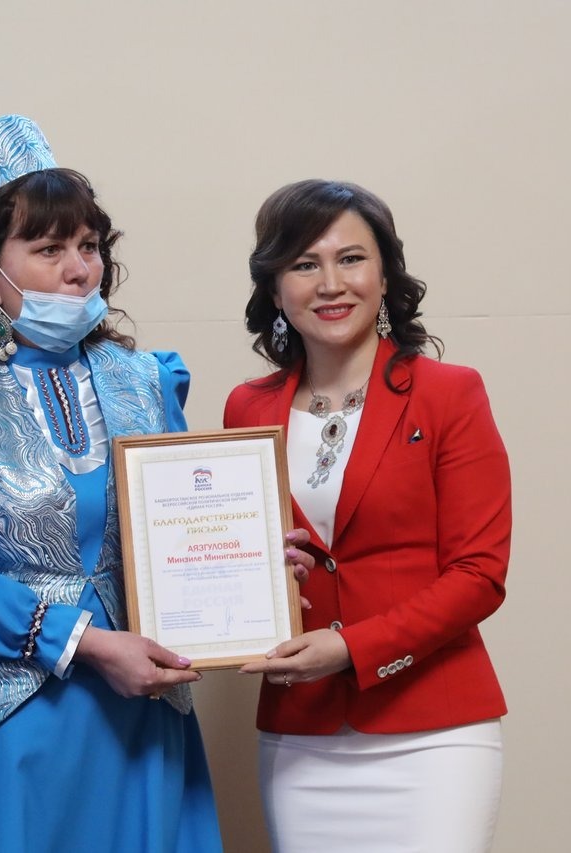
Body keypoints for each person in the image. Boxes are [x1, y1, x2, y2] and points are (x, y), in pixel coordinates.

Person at [0, 115, 313, 853]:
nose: (78, 270)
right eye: (48, 249)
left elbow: (173, 534)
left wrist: (253, 563)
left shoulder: (147, 381)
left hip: (130, 722)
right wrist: (88, 644)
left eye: (89, 246)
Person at [226, 179, 512, 852]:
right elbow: (243, 554)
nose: (331, 283)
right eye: (304, 264)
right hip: (301, 736)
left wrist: (352, 648)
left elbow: (480, 574)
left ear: (385, 276)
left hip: (435, 732)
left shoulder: (449, 394)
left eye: (351, 259)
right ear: (275, 289)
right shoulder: (247, 407)